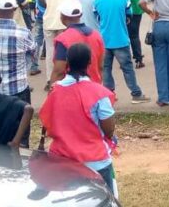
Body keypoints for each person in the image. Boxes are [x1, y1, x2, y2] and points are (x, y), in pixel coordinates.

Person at [39, 43, 118, 191]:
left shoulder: (55, 90)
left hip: (62, 158)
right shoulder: (99, 93)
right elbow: (109, 130)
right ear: (89, 62)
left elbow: (47, 121)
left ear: (67, 62)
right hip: (95, 161)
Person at [0, 0, 36, 146]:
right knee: (21, 138)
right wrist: (21, 69)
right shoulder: (24, 33)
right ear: (14, 9)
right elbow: (32, 56)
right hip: (18, 90)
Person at [93, 0, 149, 103]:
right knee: (127, 68)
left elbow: (97, 17)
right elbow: (128, 15)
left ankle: (109, 94)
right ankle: (136, 94)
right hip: (121, 39)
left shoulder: (97, 1)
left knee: (106, 68)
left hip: (104, 40)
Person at [35, 0, 81, 82]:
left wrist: (50, 5)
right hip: (66, 21)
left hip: (49, 19)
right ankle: (67, 79)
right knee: (68, 50)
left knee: (50, 51)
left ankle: (51, 80)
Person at [49, 0, 105, 85]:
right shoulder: (97, 35)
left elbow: (59, 71)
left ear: (62, 17)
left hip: (71, 90)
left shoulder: (63, 39)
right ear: (81, 15)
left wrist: (52, 92)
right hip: (94, 87)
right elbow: (101, 66)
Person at [0, 64, 34, 147]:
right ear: (0, 81)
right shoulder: (10, 102)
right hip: (3, 153)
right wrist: (16, 141)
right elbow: (29, 109)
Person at [113, 0, 147, 69]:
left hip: (120, 10)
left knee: (122, 35)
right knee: (134, 35)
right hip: (136, 10)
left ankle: (124, 62)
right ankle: (138, 60)